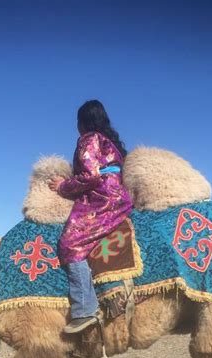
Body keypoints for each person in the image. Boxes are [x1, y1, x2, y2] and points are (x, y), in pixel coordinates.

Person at [48, 100, 133, 333]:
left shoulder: (88, 140)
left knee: (70, 243)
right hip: (119, 197)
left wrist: (63, 186)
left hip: (102, 198)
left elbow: (91, 175)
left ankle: (85, 308)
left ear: (82, 122)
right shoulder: (111, 144)